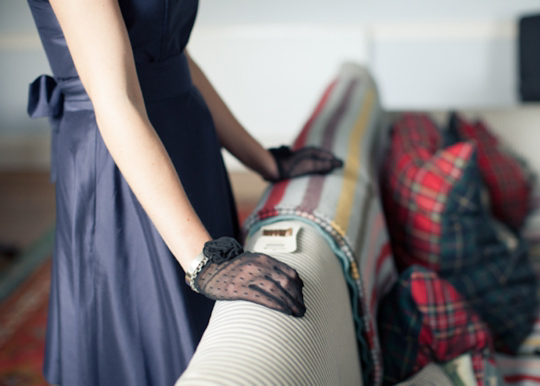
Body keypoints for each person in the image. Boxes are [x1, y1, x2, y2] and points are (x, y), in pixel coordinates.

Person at [26, 0, 343, 385]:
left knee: (215, 335)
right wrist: (203, 261)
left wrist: (263, 160)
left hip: (187, 139)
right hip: (120, 162)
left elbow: (172, 59)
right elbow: (117, 100)